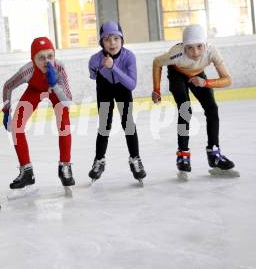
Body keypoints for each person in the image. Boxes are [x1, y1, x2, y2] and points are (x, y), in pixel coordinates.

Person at [151, 24, 236, 177]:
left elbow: (228, 80)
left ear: (206, 44)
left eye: (199, 46)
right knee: (185, 110)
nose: (195, 52)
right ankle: (183, 154)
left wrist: (205, 82)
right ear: (183, 47)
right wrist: (156, 89)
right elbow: (157, 62)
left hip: (198, 75)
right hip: (177, 74)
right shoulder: (176, 53)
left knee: (212, 109)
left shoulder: (212, 52)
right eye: (189, 48)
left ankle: (214, 154)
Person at [2, 36, 74, 189]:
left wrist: (54, 84)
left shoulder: (59, 68)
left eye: (50, 56)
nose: (47, 62)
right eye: (41, 58)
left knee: (64, 123)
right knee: (16, 126)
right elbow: (7, 86)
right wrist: (6, 111)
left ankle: (65, 166)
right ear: (33, 59)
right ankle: (26, 171)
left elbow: (67, 101)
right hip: (34, 90)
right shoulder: (27, 70)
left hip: (56, 90)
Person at [88, 21, 146, 183]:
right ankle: (99, 160)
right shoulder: (95, 59)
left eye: (115, 38)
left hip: (123, 88)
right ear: (101, 42)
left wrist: (113, 67)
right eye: (107, 39)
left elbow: (131, 84)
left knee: (128, 124)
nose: (112, 43)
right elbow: (93, 74)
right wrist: (104, 72)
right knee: (104, 126)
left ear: (121, 40)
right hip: (105, 89)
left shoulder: (129, 57)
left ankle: (135, 159)